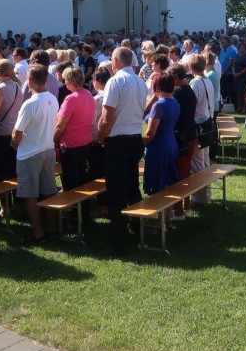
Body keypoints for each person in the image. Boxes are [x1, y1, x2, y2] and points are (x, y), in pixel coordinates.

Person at [96, 47, 148, 256]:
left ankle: (118, 240)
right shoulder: (140, 81)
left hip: (119, 140)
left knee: (116, 192)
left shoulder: (115, 81)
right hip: (135, 137)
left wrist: (100, 137)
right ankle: (137, 229)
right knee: (132, 188)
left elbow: (107, 116)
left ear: (116, 61)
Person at [12, 65, 60, 246]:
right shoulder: (52, 99)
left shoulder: (30, 103)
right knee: (49, 191)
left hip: (30, 153)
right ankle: (52, 229)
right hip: (47, 149)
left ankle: (38, 233)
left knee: (30, 195)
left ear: (30, 81)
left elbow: (17, 132)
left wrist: (14, 143)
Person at [54, 66, 95, 194]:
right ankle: (83, 209)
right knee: (81, 177)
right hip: (85, 142)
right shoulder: (88, 94)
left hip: (71, 145)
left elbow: (60, 125)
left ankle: (73, 211)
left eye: (65, 80)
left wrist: (53, 139)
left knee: (71, 181)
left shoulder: (71, 99)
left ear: (71, 82)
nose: (64, 82)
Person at [143, 73, 181, 196]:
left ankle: (160, 214)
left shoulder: (159, 105)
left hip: (159, 145)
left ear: (157, 87)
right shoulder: (175, 102)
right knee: (168, 181)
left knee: (158, 181)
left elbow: (150, 133)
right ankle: (167, 214)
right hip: (170, 141)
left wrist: (138, 145)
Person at [168, 63, 196, 219]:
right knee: (185, 172)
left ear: (177, 78)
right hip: (190, 134)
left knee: (180, 174)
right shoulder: (189, 90)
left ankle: (179, 211)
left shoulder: (178, 92)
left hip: (182, 137)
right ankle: (186, 205)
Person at [0, 59, 21, 181]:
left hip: (0, 133)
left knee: (2, 171)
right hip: (13, 130)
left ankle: (5, 199)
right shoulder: (17, 85)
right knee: (13, 168)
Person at [188, 53, 214, 205]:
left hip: (199, 125)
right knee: (204, 161)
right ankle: (206, 196)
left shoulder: (195, 83)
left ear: (191, 68)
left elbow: (193, 104)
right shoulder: (208, 80)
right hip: (207, 123)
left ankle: (200, 199)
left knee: (198, 164)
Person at [232, 43, 246, 112]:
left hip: (243, 76)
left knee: (244, 92)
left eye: (243, 47)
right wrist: (234, 72)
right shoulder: (236, 56)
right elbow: (233, 65)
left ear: (245, 49)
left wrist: (240, 73)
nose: (241, 49)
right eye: (240, 47)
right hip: (236, 76)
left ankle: (245, 107)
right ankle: (239, 106)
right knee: (238, 93)